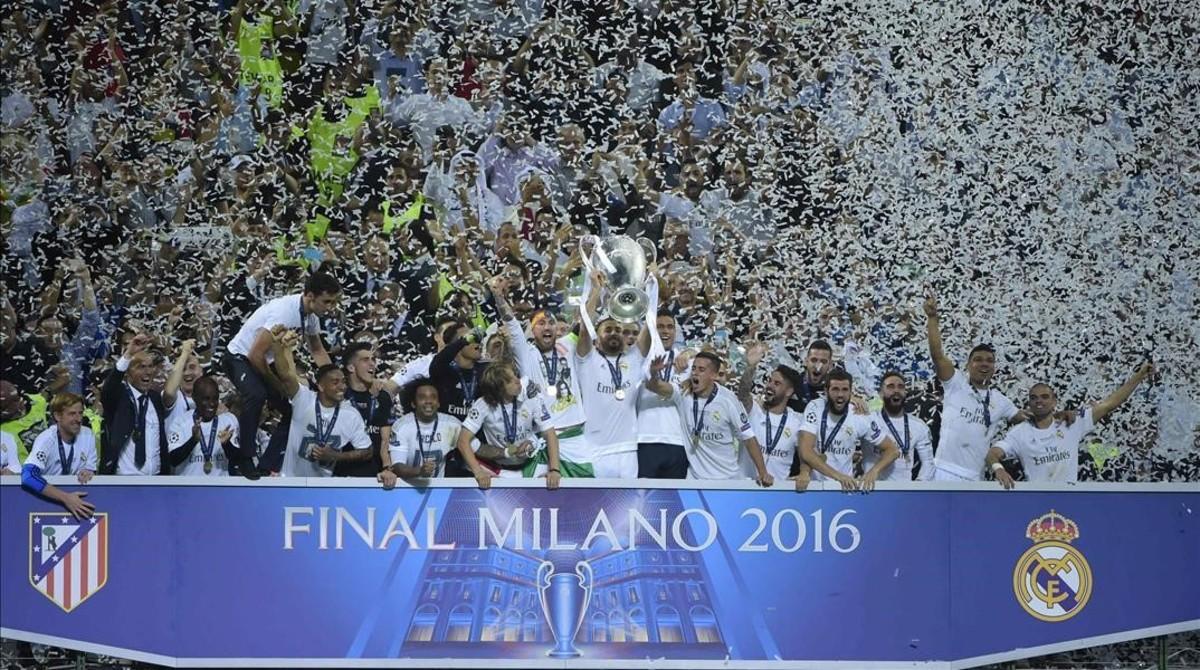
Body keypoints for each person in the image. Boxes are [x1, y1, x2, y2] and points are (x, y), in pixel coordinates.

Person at [224, 271, 341, 474]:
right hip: (238, 357)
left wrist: (334, 380)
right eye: (327, 301)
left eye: (333, 302)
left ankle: (266, 465)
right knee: (256, 395)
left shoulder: (311, 315)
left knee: (292, 409)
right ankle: (245, 457)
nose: (331, 308)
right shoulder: (285, 312)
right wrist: (275, 384)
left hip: (262, 361)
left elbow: (317, 350)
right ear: (310, 296)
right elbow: (254, 355)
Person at [987, 363, 1155, 486]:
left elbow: (1109, 405)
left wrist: (1139, 376)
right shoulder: (1019, 433)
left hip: (1070, 497)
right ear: (1029, 402)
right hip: (1036, 497)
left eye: (1045, 397)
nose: (1039, 401)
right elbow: (992, 454)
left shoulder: (1071, 423)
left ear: (1054, 402)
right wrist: (998, 469)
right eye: (1034, 398)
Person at [492, 277, 592, 476]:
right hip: (543, 438)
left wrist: (596, 290)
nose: (547, 327)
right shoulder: (525, 352)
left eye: (551, 323)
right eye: (541, 323)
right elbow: (510, 322)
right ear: (531, 330)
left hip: (576, 440)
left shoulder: (568, 345)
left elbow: (586, 322)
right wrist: (498, 297)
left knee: (582, 499)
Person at [923, 290, 1021, 481]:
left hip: (976, 477)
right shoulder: (955, 384)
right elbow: (937, 355)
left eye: (989, 361)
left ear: (994, 368)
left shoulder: (1001, 402)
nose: (984, 364)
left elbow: (1028, 420)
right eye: (978, 360)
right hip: (944, 470)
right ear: (968, 365)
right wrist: (933, 318)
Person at [644, 352, 773, 484]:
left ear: (714, 375)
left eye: (701, 370)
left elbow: (749, 438)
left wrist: (763, 472)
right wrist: (654, 373)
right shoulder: (684, 392)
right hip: (695, 479)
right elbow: (653, 386)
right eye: (693, 368)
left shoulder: (728, 400)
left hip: (727, 479)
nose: (695, 373)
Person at [574, 271, 652, 478]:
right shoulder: (587, 360)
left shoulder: (633, 359)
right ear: (597, 338)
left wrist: (650, 291)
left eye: (618, 329)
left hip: (627, 449)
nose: (615, 332)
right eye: (608, 329)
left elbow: (650, 329)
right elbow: (583, 329)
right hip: (594, 448)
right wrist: (595, 291)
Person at [270, 330, 372, 478]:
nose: (342, 386)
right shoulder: (304, 399)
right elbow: (285, 375)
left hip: (323, 487)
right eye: (335, 382)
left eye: (343, 381)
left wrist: (336, 456)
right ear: (321, 386)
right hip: (290, 482)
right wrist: (277, 346)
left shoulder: (351, 414)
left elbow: (367, 451)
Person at [455, 362, 563, 490]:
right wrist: (478, 472)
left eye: (516, 376)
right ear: (498, 387)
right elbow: (463, 441)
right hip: (500, 469)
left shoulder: (530, 398)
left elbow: (549, 433)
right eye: (510, 380)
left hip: (532, 463)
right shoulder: (483, 405)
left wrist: (555, 470)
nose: (518, 381)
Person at [795, 370, 899, 492]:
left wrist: (874, 472)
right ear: (826, 391)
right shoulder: (815, 407)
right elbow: (806, 451)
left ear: (851, 392)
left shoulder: (860, 416)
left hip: (844, 489)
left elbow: (892, 450)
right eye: (835, 389)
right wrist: (838, 476)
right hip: (814, 487)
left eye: (845, 390)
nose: (840, 394)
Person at [100, 333, 170, 475]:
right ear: (128, 372)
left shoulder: (156, 399)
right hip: (124, 481)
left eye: (150, 367)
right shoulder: (119, 395)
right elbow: (108, 388)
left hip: (156, 480)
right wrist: (128, 354)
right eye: (141, 367)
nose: (148, 372)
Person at [20, 392, 97, 518]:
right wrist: (66, 498)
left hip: (77, 502)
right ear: (57, 416)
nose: (78, 419)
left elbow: (90, 469)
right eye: (72, 414)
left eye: (80, 413)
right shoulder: (46, 439)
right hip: (45, 503)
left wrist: (89, 472)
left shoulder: (88, 435)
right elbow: (28, 476)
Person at [736, 343, 805, 482]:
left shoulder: (797, 421)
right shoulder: (754, 410)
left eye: (777, 383)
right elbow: (743, 394)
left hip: (777, 493)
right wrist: (751, 367)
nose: (769, 386)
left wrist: (804, 473)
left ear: (789, 392)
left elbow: (807, 453)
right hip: (744, 487)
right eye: (770, 381)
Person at [637, 314, 693, 478]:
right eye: (660, 326)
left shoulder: (686, 361)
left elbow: (711, 356)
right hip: (645, 438)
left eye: (670, 327)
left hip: (678, 440)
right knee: (643, 498)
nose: (665, 331)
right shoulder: (641, 358)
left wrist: (690, 351)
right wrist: (654, 374)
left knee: (675, 499)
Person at [380, 379, 462, 488]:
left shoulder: (452, 424)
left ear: (438, 403)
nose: (428, 401)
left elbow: (474, 449)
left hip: (438, 490)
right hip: (407, 487)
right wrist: (419, 471)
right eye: (422, 397)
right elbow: (397, 466)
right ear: (413, 403)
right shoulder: (402, 426)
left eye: (433, 397)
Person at [336, 342, 393, 477]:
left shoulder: (382, 396)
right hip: (340, 470)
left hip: (374, 473)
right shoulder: (339, 396)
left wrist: (387, 468)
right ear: (351, 367)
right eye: (365, 360)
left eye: (373, 359)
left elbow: (385, 438)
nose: (372, 364)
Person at [167, 376, 239, 476]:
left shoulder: (229, 421)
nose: (212, 404)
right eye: (206, 399)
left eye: (215, 398)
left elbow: (237, 460)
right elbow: (173, 460)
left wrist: (226, 444)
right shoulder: (180, 422)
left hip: (219, 487)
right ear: (194, 398)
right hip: (189, 487)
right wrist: (193, 440)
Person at [871, 371, 935, 482]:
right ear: (881, 393)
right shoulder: (869, 421)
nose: (896, 390)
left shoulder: (919, 426)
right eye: (890, 386)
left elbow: (928, 463)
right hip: (873, 489)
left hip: (904, 491)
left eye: (900, 387)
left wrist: (918, 486)